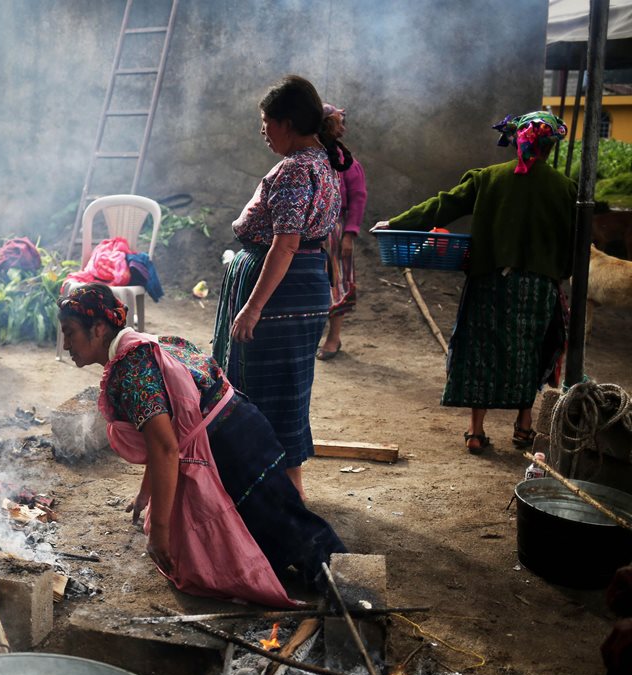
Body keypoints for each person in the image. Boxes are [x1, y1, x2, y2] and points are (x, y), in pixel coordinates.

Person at [60, 284, 346, 604]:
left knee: (294, 529)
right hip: (242, 426)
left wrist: (160, 534)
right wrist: (145, 494)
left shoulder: (132, 371)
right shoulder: (141, 345)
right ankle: (322, 580)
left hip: (236, 447)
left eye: (70, 332)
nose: (66, 343)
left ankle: (354, 592)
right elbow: (160, 440)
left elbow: (166, 449)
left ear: (98, 329)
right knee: (268, 530)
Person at [373, 111, 575, 453]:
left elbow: (442, 206)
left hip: (489, 282)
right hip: (538, 289)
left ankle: (476, 431)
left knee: (480, 351)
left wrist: (396, 222)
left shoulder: (487, 179)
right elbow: (572, 245)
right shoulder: (566, 189)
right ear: (551, 146)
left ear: (515, 141)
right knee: (528, 353)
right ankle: (524, 427)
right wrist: (558, 272)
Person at [213, 75, 351, 498]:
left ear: (287, 122)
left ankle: (267, 491)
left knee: (259, 389)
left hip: (279, 292)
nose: (263, 130)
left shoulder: (295, 169)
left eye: (266, 121)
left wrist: (252, 307)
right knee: (288, 391)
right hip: (305, 286)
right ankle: (288, 488)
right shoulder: (323, 164)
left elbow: (286, 243)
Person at [316, 103, 368, 360]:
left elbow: (358, 198)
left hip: (334, 232)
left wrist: (349, 234)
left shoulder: (347, 163)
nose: (343, 129)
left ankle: (333, 337)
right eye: (338, 123)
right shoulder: (311, 158)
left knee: (337, 282)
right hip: (310, 231)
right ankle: (312, 334)